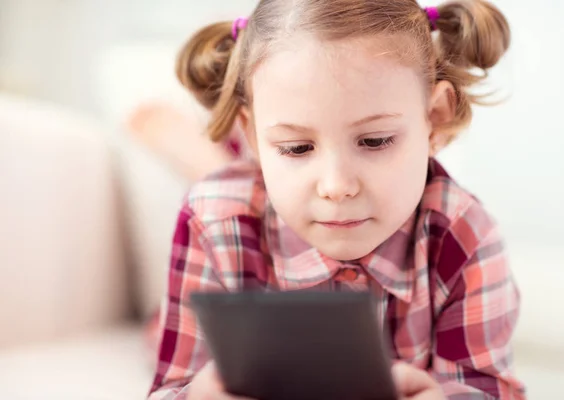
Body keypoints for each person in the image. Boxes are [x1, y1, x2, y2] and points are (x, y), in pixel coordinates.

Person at [148, 0, 526, 398]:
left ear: (435, 117)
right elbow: (170, 387)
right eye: (296, 148)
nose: (337, 186)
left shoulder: (465, 235)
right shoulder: (211, 220)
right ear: (254, 135)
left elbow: (490, 389)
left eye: (374, 141)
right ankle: (198, 151)